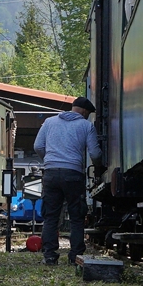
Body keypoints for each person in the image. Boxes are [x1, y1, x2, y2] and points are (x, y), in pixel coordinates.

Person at [33, 96, 102, 266]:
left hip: (51, 174)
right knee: (77, 216)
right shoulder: (86, 126)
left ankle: (49, 256)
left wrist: (49, 161)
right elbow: (95, 154)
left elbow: (38, 146)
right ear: (85, 112)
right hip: (73, 174)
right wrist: (99, 167)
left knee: (51, 216)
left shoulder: (49, 122)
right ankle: (75, 256)